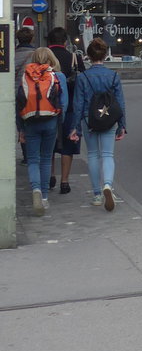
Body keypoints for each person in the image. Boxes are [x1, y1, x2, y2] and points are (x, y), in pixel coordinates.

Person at [68, 38, 127, 212]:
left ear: (88, 55)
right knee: (108, 154)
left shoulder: (83, 77)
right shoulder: (114, 75)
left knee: (93, 155)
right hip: (109, 118)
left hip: (89, 118)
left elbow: (77, 104)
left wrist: (75, 128)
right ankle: (108, 185)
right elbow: (120, 103)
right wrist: (122, 125)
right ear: (105, 54)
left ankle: (96, 194)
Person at [16, 47, 69, 216]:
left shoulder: (26, 75)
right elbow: (64, 104)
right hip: (50, 121)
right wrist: (59, 122)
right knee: (46, 159)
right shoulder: (58, 76)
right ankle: (44, 197)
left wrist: (21, 129)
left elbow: (19, 103)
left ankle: (36, 190)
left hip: (30, 121)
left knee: (33, 159)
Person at [47, 25, 87, 194]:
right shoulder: (74, 58)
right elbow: (83, 82)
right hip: (70, 108)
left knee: (48, 145)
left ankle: (50, 176)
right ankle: (65, 181)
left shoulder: (44, 58)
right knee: (68, 146)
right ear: (65, 41)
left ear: (49, 41)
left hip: (48, 109)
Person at [12, 26, 36, 165]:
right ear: (32, 39)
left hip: (17, 96)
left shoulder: (12, 54)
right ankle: (34, 154)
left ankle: (27, 155)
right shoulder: (36, 55)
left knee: (21, 125)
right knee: (33, 123)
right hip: (32, 95)